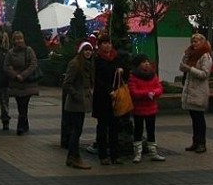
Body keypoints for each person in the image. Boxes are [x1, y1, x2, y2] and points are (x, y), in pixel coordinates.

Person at [92, 34, 124, 166]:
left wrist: (122, 71)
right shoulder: (97, 59)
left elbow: (124, 75)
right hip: (102, 98)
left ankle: (115, 155)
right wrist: (108, 90)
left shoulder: (115, 58)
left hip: (115, 97)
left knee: (114, 127)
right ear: (100, 45)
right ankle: (103, 155)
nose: (107, 45)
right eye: (104, 43)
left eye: (109, 43)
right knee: (102, 127)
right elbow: (96, 78)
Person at [127, 53, 165, 163]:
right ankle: (137, 153)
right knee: (138, 130)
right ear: (138, 65)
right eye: (144, 62)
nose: (147, 64)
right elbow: (133, 92)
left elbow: (159, 88)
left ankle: (153, 152)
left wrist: (154, 93)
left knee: (151, 130)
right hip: (139, 109)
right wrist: (146, 93)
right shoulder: (133, 76)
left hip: (151, 108)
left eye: (147, 61)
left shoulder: (153, 75)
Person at [62, 41, 94, 169]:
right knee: (76, 131)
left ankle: (72, 157)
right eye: (85, 50)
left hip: (82, 102)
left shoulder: (88, 64)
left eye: (90, 50)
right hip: (75, 104)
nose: (88, 52)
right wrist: (76, 95)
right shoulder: (75, 63)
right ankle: (74, 157)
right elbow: (67, 83)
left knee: (78, 130)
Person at [180, 33, 212, 153]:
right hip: (190, 89)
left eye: (197, 41)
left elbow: (204, 74)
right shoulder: (190, 54)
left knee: (199, 118)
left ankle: (202, 143)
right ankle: (195, 141)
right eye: (193, 41)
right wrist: (185, 60)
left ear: (202, 42)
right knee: (193, 117)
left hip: (199, 90)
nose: (194, 44)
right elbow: (182, 66)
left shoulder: (205, 56)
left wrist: (190, 69)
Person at [4, 30, 39, 135]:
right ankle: (25, 122)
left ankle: (20, 126)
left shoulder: (29, 50)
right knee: (20, 105)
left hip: (27, 83)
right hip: (16, 83)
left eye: (20, 38)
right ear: (13, 40)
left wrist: (23, 75)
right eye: (16, 39)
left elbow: (33, 64)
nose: (19, 41)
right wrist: (15, 75)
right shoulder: (10, 53)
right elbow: (6, 66)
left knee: (24, 104)